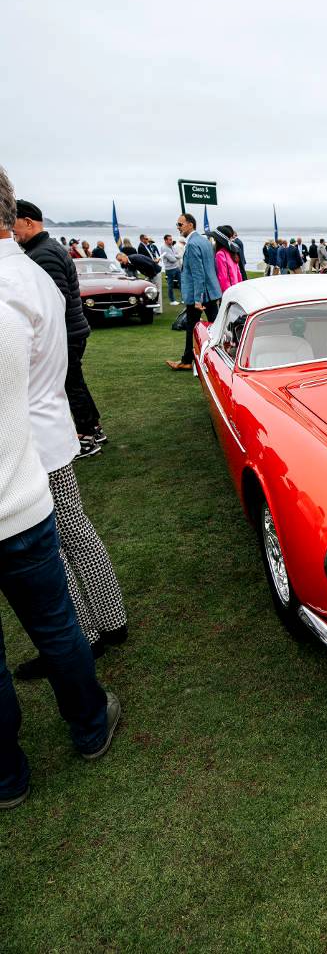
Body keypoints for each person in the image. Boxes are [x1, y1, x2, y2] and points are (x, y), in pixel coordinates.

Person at [0, 300, 120, 808]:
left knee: (56, 618)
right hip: (19, 489)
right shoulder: (11, 310)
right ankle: (90, 724)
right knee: (54, 621)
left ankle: (7, 776)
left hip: (26, 474)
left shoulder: (14, 298)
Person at [13, 199, 103, 458]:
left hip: (65, 332)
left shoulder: (43, 253)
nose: (12, 232)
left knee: (69, 384)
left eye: (14, 224)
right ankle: (93, 428)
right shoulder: (49, 248)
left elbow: (55, 299)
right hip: (72, 328)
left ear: (28, 222)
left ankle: (86, 436)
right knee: (75, 381)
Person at [166, 213, 222, 370]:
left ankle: (187, 361)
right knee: (215, 326)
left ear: (190, 224)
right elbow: (212, 268)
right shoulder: (205, 241)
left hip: (199, 295)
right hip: (210, 292)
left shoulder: (192, 244)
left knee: (193, 327)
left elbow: (198, 274)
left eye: (180, 224)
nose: (178, 227)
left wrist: (198, 299)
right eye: (177, 224)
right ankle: (215, 358)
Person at [162, 233, 182, 304]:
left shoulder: (172, 247)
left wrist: (174, 256)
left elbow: (179, 256)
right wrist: (175, 256)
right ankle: (172, 300)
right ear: (165, 240)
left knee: (181, 283)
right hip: (169, 269)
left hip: (176, 267)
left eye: (171, 239)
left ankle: (183, 299)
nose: (171, 241)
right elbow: (172, 259)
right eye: (170, 240)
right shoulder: (164, 248)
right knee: (170, 285)